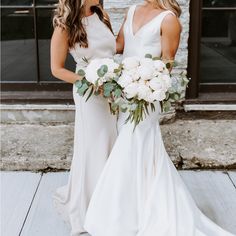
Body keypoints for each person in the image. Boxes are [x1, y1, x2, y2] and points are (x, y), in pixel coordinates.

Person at [83, 1, 236, 235]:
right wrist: (89, 45)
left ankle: (124, 216)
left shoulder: (168, 19)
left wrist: (143, 85)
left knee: (134, 144)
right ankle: (133, 209)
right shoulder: (132, 10)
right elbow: (119, 46)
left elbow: (167, 63)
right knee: (133, 146)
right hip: (126, 91)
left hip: (147, 95)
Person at [50, 0, 117, 235]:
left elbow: (112, 48)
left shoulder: (101, 15)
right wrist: (90, 81)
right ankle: (92, 206)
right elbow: (56, 69)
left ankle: (111, 199)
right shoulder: (64, 25)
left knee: (111, 141)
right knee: (94, 145)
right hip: (88, 93)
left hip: (112, 90)